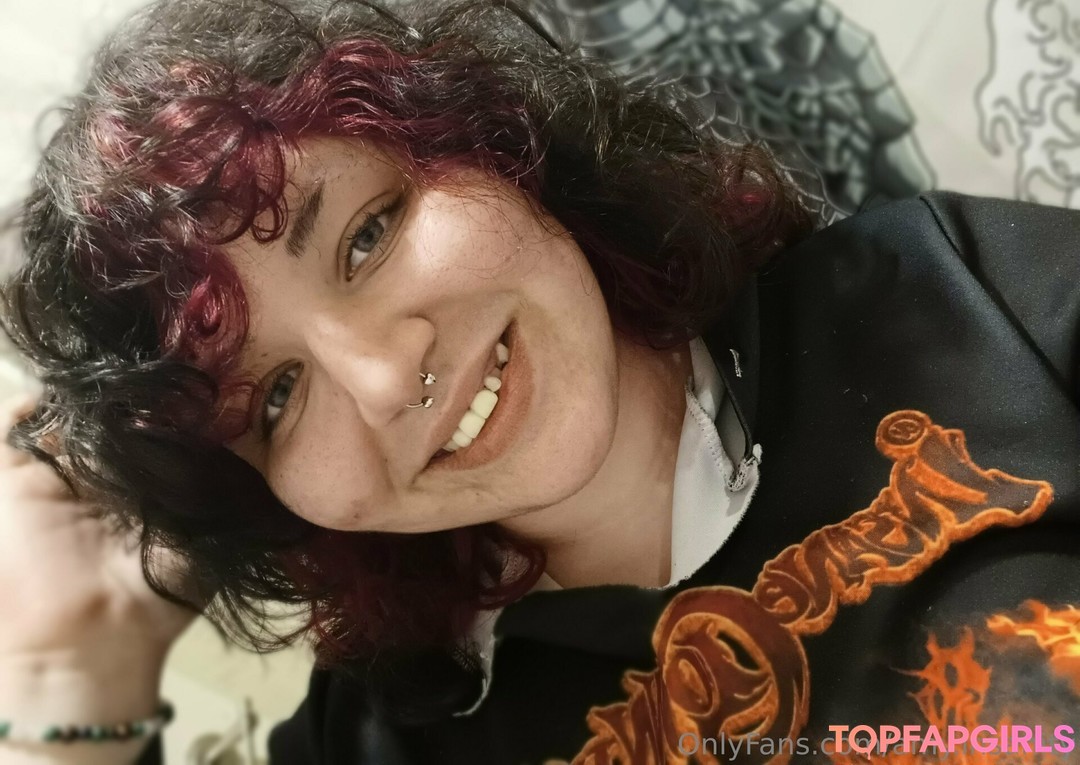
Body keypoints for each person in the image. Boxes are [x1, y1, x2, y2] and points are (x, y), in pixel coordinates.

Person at [1, 1, 1078, 764]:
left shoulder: (953, 299)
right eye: (275, 399)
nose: (384, 379)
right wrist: (69, 675)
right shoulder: (393, 735)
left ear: (491, 144)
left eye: (368, 235)